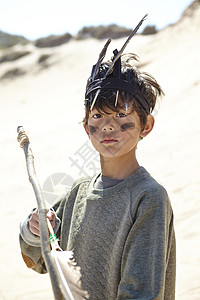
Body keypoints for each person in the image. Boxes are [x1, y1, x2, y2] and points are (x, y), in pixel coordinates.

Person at [19, 17, 176, 300]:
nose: (108, 127)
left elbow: (142, 292)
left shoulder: (148, 197)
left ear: (146, 126)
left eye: (121, 116)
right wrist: (34, 228)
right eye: (98, 115)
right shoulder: (78, 191)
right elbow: (40, 259)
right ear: (86, 127)